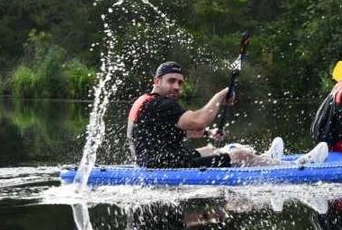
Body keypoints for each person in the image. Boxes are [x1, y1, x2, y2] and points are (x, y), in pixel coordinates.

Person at [129, 61, 328, 168]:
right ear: (157, 81)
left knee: (215, 148)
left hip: (160, 160)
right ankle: (293, 167)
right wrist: (221, 95)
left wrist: (208, 133)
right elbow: (199, 119)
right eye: (171, 81)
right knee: (240, 155)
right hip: (164, 166)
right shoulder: (161, 105)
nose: (177, 87)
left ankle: (266, 159)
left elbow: (173, 132)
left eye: (180, 83)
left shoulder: (148, 101)